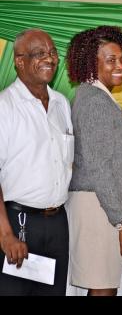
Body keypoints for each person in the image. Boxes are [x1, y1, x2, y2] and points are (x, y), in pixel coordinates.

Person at [65, 25, 122, 296]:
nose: (120, 65)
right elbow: (99, 168)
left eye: (121, 59)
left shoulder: (98, 97)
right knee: (103, 289)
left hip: (102, 205)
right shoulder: (94, 101)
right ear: (90, 63)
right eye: (111, 60)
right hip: (98, 206)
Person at [0, 29, 73, 295]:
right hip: (17, 222)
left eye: (52, 52)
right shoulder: (4, 107)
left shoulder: (61, 104)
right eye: (39, 53)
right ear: (19, 61)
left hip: (56, 224)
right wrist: (5, 235)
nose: (50, 59)